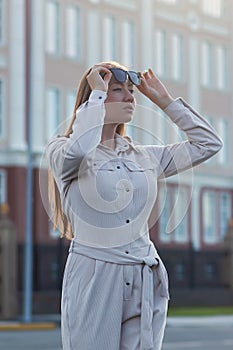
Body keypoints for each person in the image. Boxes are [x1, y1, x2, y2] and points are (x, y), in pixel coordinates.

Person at [46, 61, 222, 350]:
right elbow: (77, 149)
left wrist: (165, 101)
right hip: (95, 278)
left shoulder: (144, 156)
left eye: (131, 90)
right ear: (94, 98)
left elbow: (208, 144)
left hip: (144, 274)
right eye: (117, 90)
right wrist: (97, 97)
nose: (130, 97)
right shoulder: (62, 151)